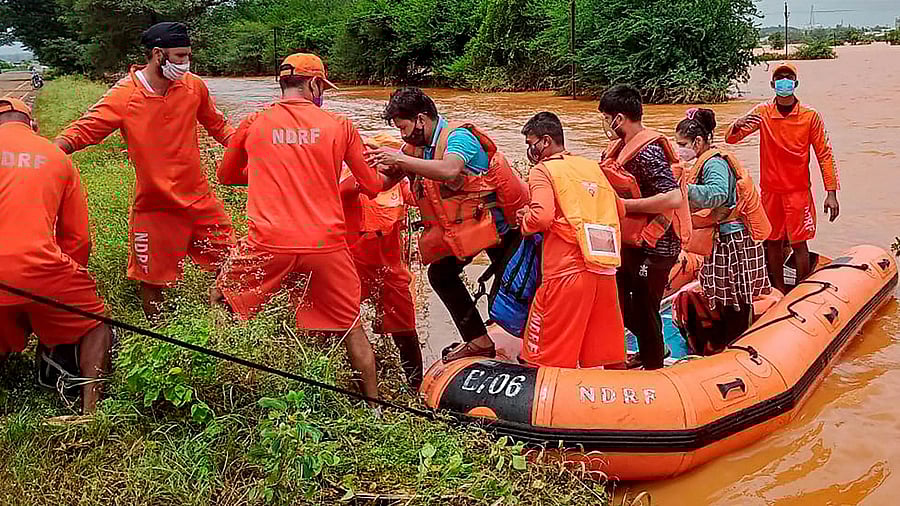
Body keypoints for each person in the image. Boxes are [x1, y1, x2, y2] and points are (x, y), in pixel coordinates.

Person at [213, 53, 400, 402]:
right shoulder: (340, 125)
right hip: (326, 245)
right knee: (351, 328)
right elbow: (373, 187)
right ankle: (375, 407)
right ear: (314, 84)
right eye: (322, 87)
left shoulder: (254, 121)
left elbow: (226, 176)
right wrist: (401, 167)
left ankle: (227, 387)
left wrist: (270, 175)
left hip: (267, 243)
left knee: (221, 300)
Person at [53, 22, 236, 318]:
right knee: (151, 280)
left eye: (188, 55)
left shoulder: (193, 87)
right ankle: (158, 332)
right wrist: (43, 154)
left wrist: (249, 148)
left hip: (199, 199)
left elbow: (218, 125)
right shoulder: (125, 95)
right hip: (155, 205)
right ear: (157, 54)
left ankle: (220, 322)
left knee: (233, 259)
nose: (185, 63)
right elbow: (84, 131)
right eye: (179, 56)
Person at [366, 88, 528, 363]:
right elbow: (383, 183)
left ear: (421, 119)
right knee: (441, 275)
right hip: (468, 230)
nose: (402, 136)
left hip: (503, 229)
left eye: (403, 127)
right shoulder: (415, 149)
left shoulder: (459, 138)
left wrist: (400, 158)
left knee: (514, 292)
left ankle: (547, 347)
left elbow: (450, 169)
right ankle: (478, 341)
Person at [0, 97, 112, 413]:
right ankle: (91, 410)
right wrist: (65, 282)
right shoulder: (55, 156)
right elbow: (77, 239)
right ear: (33, 126)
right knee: (95, 323)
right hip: (40, 269)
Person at [516, 112, 626, 368]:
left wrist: (525, 220)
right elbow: (619, 210)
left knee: (543, 357)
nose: (530, 150)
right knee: (608, 358)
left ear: (545, 141)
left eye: (531, 143)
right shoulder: (591, 167)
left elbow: (542, 218)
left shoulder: (543, 171)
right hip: (604, 272)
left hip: (566, 272)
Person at [725, 62, 839, 293]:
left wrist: (831, 193)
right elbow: (732, 139)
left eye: (788, 77)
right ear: (772, 84)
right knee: (773, 242)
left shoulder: (810, 116)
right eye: (780, 77)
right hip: (770, 191)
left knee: (799, 242)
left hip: (798, 192)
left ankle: (802, 291)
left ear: (795, 84)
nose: (784, 81)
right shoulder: (762, 113)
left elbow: (824, 154)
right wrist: (735, 125)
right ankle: (777, 289)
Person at [598, 84, 686, 370]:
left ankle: (654, 364)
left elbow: (673, 197)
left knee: (644, 307)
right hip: (635, 242)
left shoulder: (647, 152)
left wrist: (626, 207)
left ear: (619, 119)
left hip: (659, 246)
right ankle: (653, 349)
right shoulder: (620, 149)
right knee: (620, 300)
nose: (604, 125)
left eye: (605, 117)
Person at [676, 108, 772, 350]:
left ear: (698, 141)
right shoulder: (706, 161)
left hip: (733, 240)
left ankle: (737, 342)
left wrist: (681, 191)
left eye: (682, 144)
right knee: (721, 292)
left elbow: (717, 194)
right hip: (722, 238)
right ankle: (725, 340)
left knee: (735, 296)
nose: (680, 149)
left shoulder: (715, 163)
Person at [339, 134, 423, 388]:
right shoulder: (350, 181)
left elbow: (419, 199)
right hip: (350, 266)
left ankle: (414, 388)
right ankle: (345, 379)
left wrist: (410, 170)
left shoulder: (401, 184)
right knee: (340, 327)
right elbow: (346, 190)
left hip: (389, 269)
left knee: (405, 330)